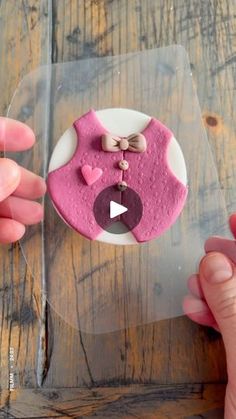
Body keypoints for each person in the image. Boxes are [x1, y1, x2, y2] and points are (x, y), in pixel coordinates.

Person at [0, 118, 235, 417]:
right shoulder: (85, 131)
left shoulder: (159, 138)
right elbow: (61, 177)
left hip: (150, 213)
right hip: (82, 205)